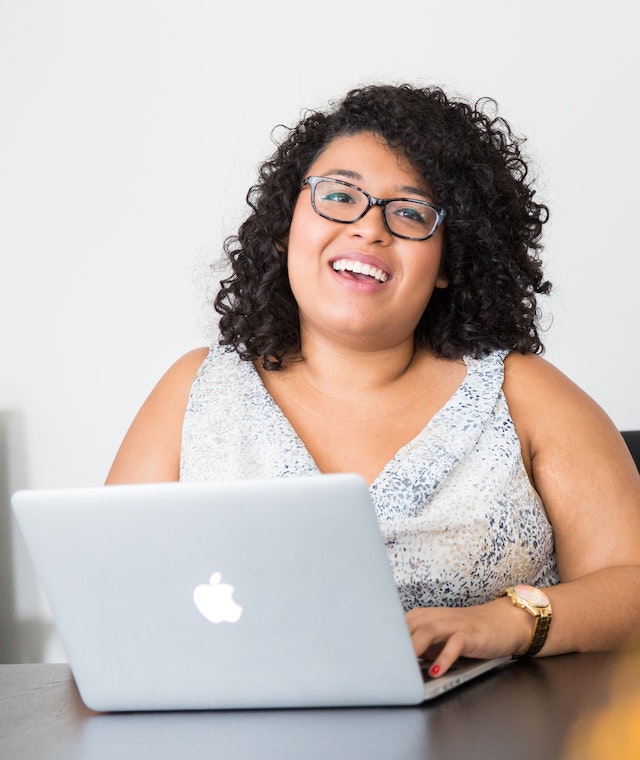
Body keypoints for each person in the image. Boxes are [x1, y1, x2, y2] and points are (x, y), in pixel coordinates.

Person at [106, 83, 640, 677]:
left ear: (448, 262)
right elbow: (103, 595)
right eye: (339, 196)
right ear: (286, 228)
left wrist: (505, 622)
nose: (369, 229)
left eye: (409, 212)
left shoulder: (526, 394)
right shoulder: (196, 391)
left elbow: (631, 583)